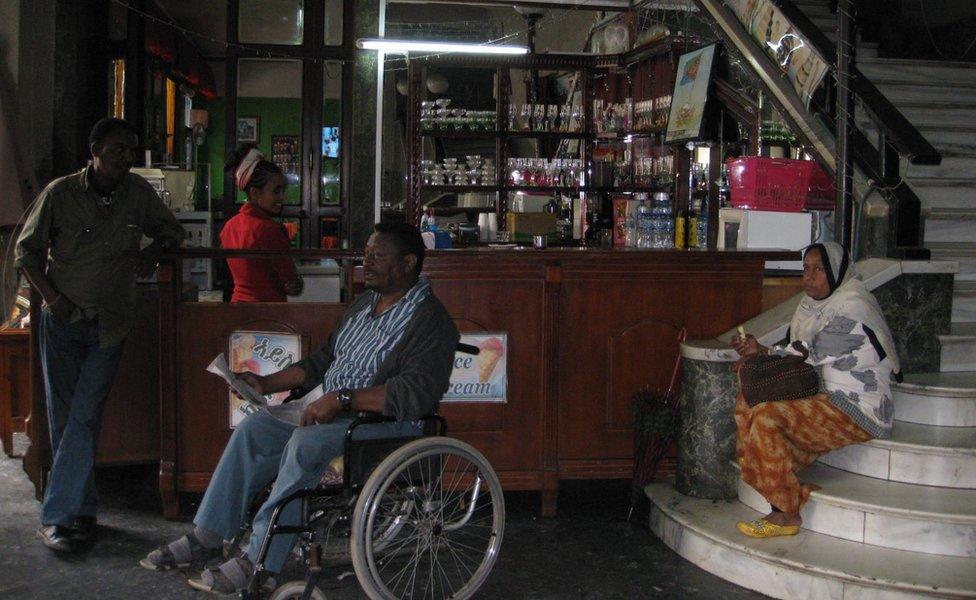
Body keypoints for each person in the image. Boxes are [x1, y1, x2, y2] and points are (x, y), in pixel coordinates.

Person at [140, 222, 460, 595]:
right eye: (366, 253)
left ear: (407, 263)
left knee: (305, 445)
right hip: (332, 412)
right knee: (254, 430)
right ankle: (207, 535)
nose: (366, 261)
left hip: (383, 423)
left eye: (377, 255)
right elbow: (320, 363)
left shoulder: (431, 322)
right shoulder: (363, 306)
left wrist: (343, 400)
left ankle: (259, 560)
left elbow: (415, 394)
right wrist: (265, 383)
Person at [15, 117, 185, 552]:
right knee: (65, 418)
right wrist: (53, 300)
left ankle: (57, 517)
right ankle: (82, 511)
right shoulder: (61, 194)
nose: (124, 159)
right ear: (93, 152)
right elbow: (26, 253)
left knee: (84, 416)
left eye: (129, 151)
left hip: (110, 323)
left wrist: (152, 254)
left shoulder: (137, 195)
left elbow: (172, 231)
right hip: (64, 322)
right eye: (115, 150)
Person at [730, 241, 900, 538]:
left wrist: (763, 353)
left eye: (819, 269)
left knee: (769, 416)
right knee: (750, 398)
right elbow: (792, 347)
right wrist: (757, 354)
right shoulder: (811, 306)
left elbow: (811, 351)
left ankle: (785, 514)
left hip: (856, 406)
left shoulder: (854, 307)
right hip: (821, 393)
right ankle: (768, 471)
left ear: (836, 272)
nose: (808, 277)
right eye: (806, 269)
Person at [220, 144, 303, 302]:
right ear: (255, 193)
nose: (281, 197)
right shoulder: (271, 230)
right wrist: (298, 282)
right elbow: (291, 284)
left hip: (237, 309)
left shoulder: (229, 227)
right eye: (276, 191)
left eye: (282, 191)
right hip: (268, 312)